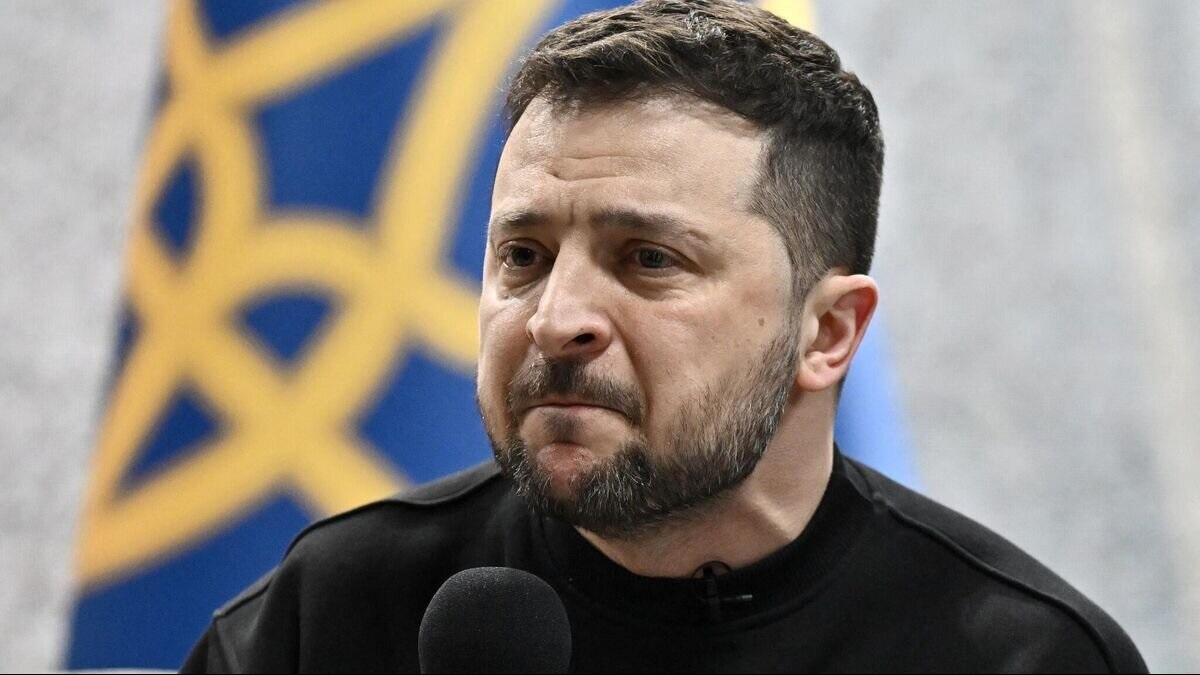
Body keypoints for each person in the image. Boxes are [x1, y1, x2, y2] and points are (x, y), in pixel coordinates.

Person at [181, 0, 1146, 672]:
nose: (555, 318)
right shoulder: (334, 616)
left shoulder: (1020, 655)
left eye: (648, 258)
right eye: (523, 255)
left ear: (827, 332)